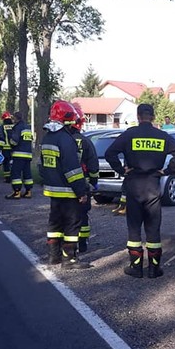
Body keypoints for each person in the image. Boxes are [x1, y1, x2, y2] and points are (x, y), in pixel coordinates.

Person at [105, 104, 175, 278]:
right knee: (153, 228)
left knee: (134, 229)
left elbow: (110, 153)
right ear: (154, 116)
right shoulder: (162, 136)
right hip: (153, 186)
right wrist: (167, 170)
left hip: (133, 186)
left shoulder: (129, 134)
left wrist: (121, 170)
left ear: (138, 116)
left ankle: (136, 267)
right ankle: (154, 268)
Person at [41, 100, 91, 269]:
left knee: (54, 224)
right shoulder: (66, 140)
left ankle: (53, 257)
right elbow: (72, 170)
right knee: (71, 225)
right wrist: (81, 191)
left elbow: (42, 166)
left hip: (53, 192)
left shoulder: (47, 137)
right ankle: (69, 260)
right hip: (69, 192)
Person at [72, 103, 99, 253]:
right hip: (83, 186)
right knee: (83, 216)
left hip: (64, 186)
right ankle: (82, 244)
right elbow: (93, 166)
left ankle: (64, 246)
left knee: (66, 215)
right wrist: (94, 183)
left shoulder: (61, 140)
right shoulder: (85, 141)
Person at [5, 112, 34, 199]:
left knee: (15, 173)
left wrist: (10, 136)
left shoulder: (17, 127)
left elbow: (14, 141)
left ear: (16, 119)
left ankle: (16, 192)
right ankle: (28, 192)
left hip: (19, 154)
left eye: (13, 118)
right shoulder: (27, 127)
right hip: (28, 155)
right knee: (27, 173)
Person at [0, 111, 15, 183]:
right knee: (14, 162)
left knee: (6, 164)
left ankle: (7, 178)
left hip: (5, 148)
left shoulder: (2, 127)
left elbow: (1, 137)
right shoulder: (14, 126)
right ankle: (15, 176)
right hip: (14, 148)